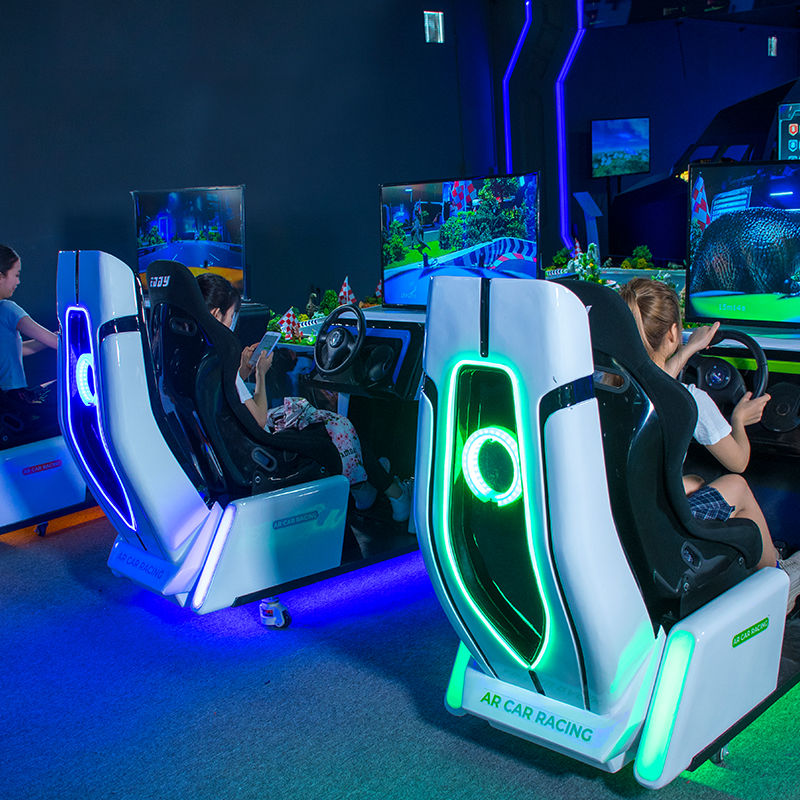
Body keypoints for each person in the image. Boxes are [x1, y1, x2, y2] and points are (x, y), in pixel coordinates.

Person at [619, 277, 800, 612]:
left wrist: (688, 350)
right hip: (660, 527)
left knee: (696, 480)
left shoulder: (610, 385)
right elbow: (739, 461)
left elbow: (657, 378)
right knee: (737, 485)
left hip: (623, 511)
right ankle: (779, 580)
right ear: (673, 333)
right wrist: (739, 420)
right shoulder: (690, 400)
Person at [195, 272, 411, 522]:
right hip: (260, 446)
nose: (234, 322)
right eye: (233, 315)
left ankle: (366, 487)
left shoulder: (203, 359)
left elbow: (231, 396)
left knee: (328, 424)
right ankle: (393, 492)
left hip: (235, 448)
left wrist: (242, 371)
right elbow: (260, 419)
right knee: (338, 425)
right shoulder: (221, 362)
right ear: (216, 315)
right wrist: (261, 375)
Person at [0, 244, 59, 404]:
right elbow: (55, 343)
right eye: (16, 275)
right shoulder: (7, 309)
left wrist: (49, 340)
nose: (18, 281)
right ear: (0, 276)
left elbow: (17, 349)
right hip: (14, 399)